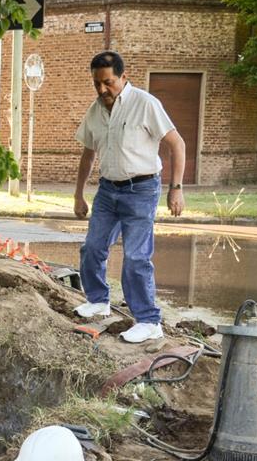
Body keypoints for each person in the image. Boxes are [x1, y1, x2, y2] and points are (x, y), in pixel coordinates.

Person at [72, 51, 185, 343]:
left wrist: (176, 188)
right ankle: (98, 301)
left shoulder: (145, 104)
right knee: (93, 248)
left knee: (136, 257)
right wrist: (78, 194)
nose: (101, 89)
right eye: (97, 83)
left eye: (108, 82)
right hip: (108, 190)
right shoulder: (95, 110)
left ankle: (149, 321)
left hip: (142, 190)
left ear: (123, 77)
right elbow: (88, 154)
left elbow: (177, 143)